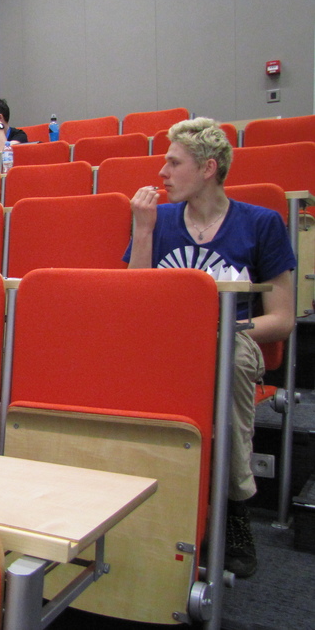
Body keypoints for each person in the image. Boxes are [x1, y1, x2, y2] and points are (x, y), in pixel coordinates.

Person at [124, 117, 296, 578]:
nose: (162, 173)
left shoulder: (261, 224)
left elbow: (282, 319)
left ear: (207, 168)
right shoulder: (157, 219)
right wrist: (142, 232)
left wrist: (216, 333)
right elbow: (135, 302)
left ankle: (233, 508)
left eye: (174, 163)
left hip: (234, 341)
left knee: (229, 360)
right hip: (164, 343)